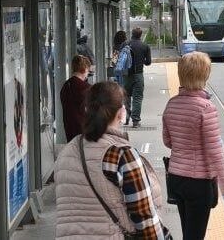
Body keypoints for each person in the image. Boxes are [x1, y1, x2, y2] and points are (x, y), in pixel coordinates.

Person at [55, 81, 168, 239]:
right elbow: (145, 217)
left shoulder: (67, 152)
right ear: (121, 113)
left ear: (87, 110)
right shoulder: (121, 155)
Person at [162, 52, 224, 240]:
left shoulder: (171, 104)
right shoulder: (206, 108)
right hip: (198, 183)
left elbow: (167, 141)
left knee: (188, 231)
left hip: (176, 179)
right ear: (204, 75)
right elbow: (215, 153)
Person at [60, 55, 91, 142]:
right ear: (85, 69)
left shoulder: (66, 86)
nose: (87, 74)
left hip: (69, 128)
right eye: (88, 71)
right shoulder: (86, 88)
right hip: (84, 130)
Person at [124, 27, 151, 128]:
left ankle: (127, 116)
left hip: (126, 75)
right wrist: (141, 61)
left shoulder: (125, 44)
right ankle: (135, 121)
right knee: (137, 98)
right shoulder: (145, 46)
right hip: (138, 74)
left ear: (132, 34)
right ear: (141, 35)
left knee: (126, 96)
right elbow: (148, 62)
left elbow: (118, 58)